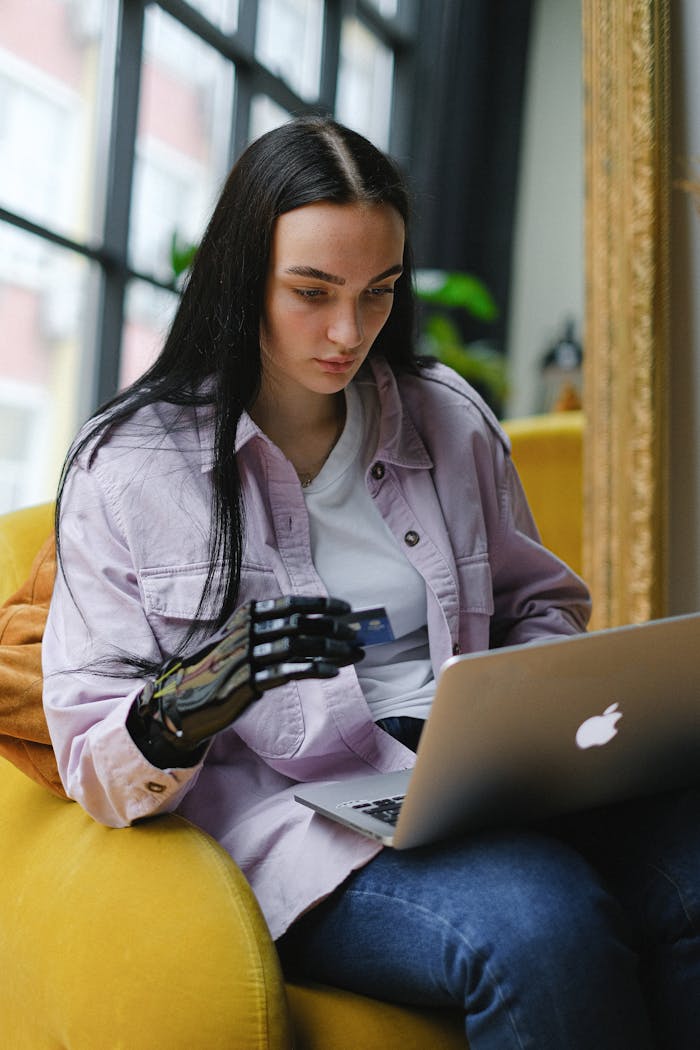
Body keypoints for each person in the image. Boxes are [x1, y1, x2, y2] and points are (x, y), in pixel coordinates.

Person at [42, 116, 699, 1049]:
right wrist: (182, 708)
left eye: (378, 292)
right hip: (307, 826)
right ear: (241, 277)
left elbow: (539, 605)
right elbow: (91, 758)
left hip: (476, 777)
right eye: (311, 292)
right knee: (539, 925)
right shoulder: (128, 466)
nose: (348, 332)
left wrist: (524, 723)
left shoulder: (446, 419)